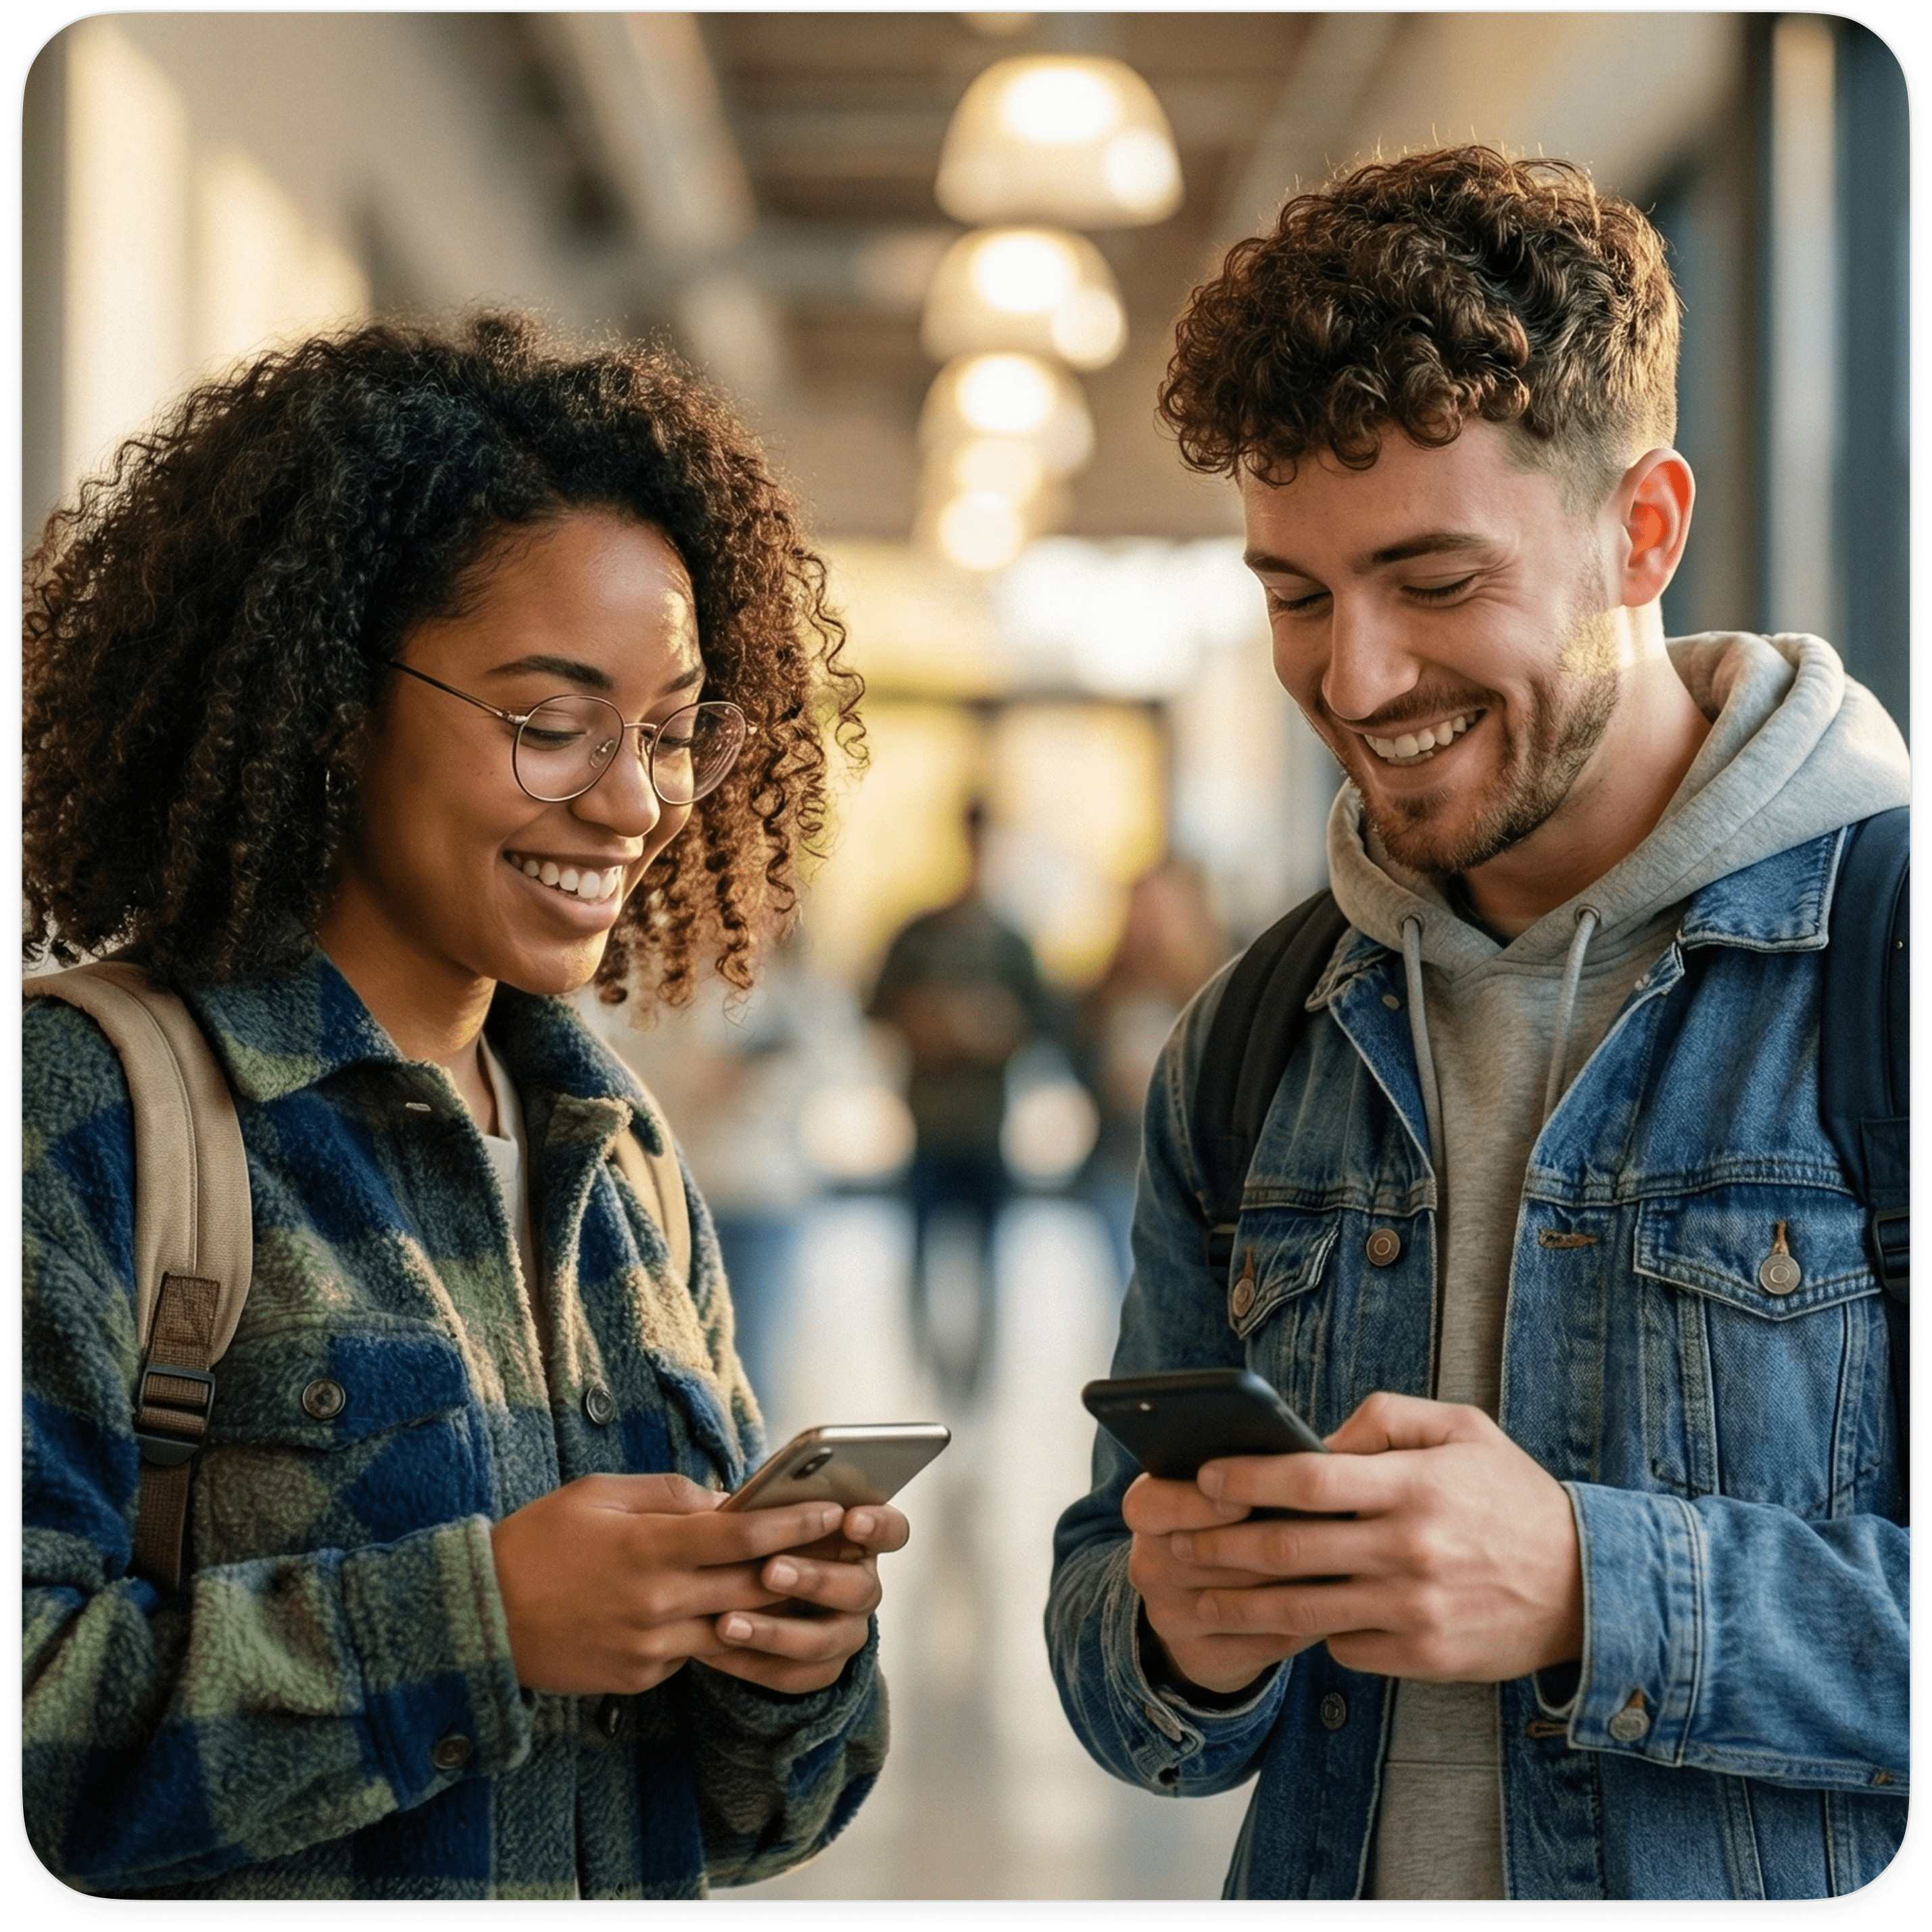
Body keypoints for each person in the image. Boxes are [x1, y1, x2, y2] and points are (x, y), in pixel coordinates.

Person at [1047, 148, 1908, 1902]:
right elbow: (1103, 1637)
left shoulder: (1883, 971)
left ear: (1642, 530)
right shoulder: (1252, 1035)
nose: (1355, 681)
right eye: (1295, 596)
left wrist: (1601, 1582)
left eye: (1434, 583)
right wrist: (1183, 1635)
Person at [21, 316, 905, 1901]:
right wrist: (477, 1623)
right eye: (552, 723)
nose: (631, 801)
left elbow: (739, 1822)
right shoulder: (83, 1114)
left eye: (669, 730)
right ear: (331, 697)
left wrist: (784, 1665)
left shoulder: (618, 1155)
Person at [867, 798, 1049, 1399]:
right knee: (921, 1262)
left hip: (986, 1127)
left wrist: (994, 1028)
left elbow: (1046, 1025)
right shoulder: (919, 936)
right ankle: (927, 1374)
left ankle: (976, 1382)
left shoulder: (1011, 943)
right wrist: (935, 1025)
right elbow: (878, 1010)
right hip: (929, 1126)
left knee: (988, 1265)